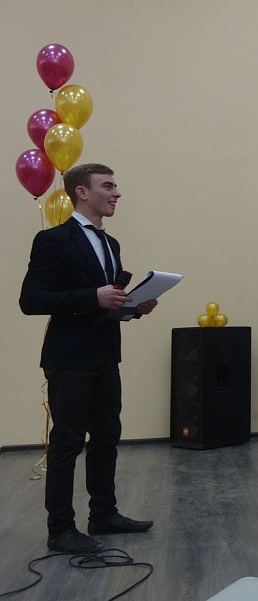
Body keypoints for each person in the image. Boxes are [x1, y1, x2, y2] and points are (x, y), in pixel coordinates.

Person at [20, 163, 159, 555]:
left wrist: (133, 306)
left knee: (107, 435)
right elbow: (31, 299)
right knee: (67, 441)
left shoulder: (110, 243)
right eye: (108, 186)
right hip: (69, 357)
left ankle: (103, 514)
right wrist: (91, 297)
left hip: (104, 354)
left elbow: (106, 303)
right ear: (81, 192)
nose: (117, 193)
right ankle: (61, 528)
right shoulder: (53, 240)